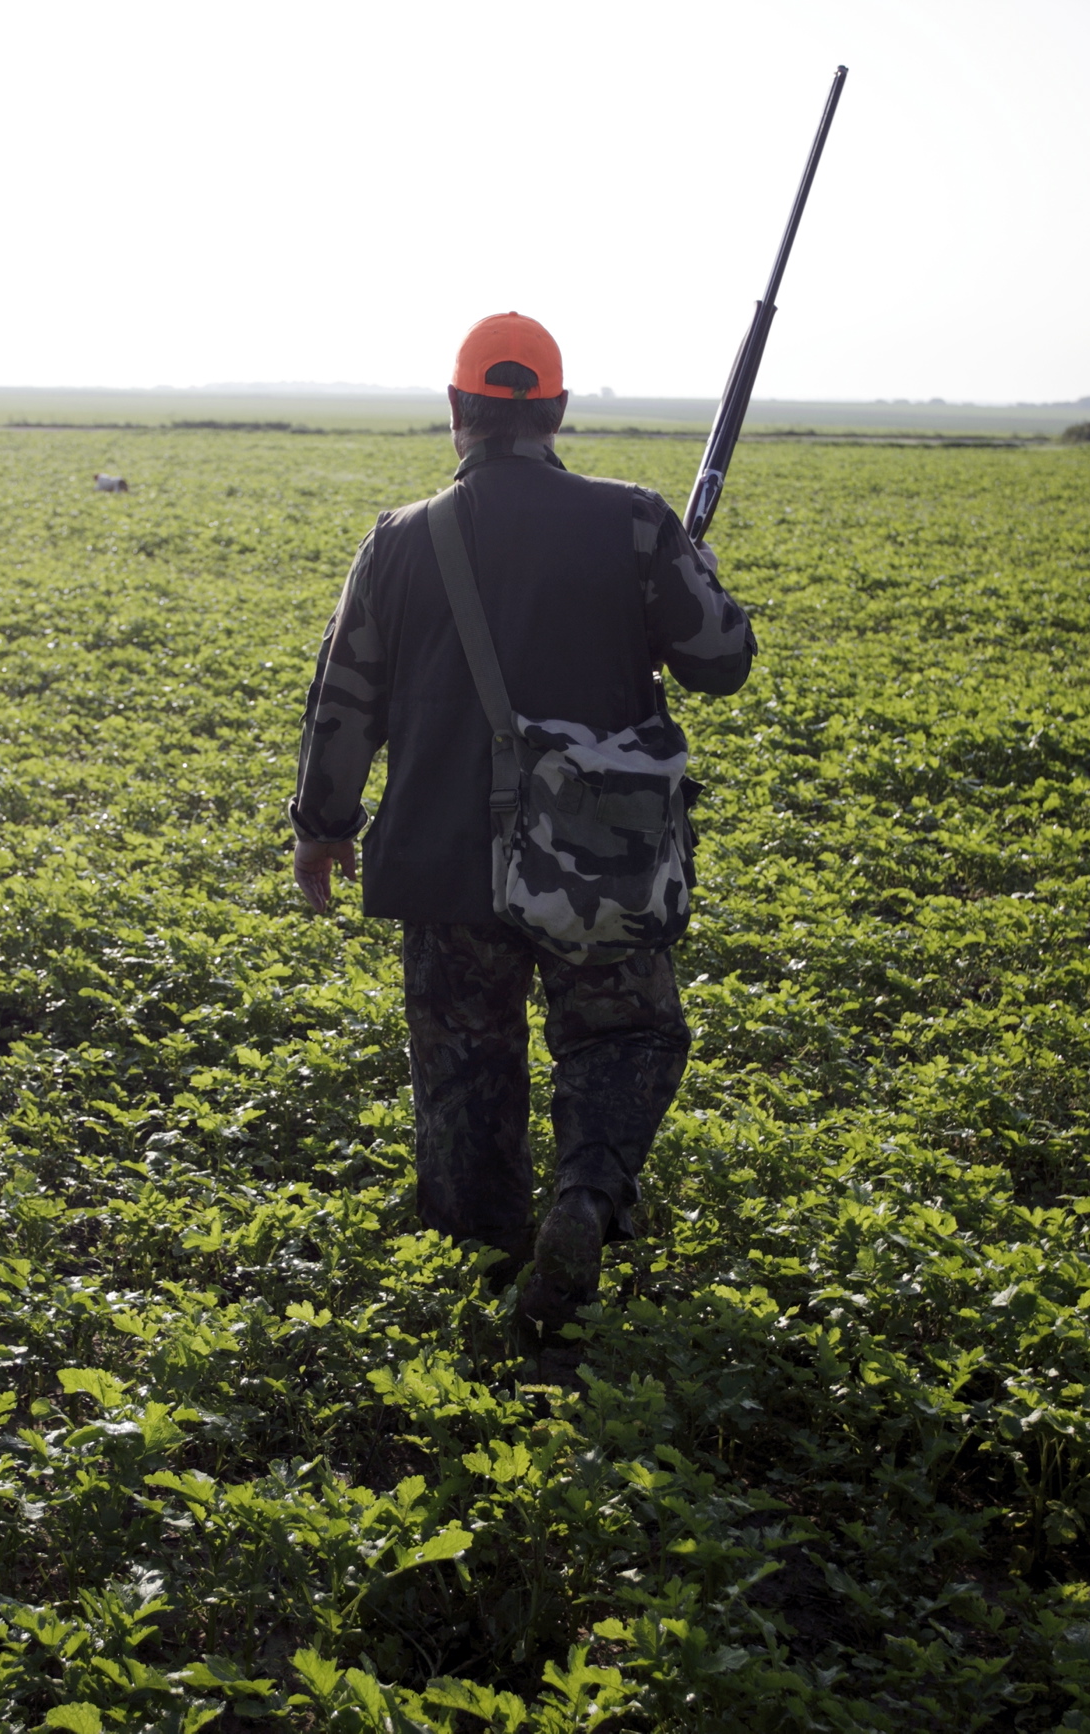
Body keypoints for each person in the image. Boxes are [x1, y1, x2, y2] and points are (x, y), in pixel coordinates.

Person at [287, 311, 757, 1337]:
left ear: (456, 411)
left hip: (444, 857)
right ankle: (585, 1199)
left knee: (463, 1070)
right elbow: (721, 661)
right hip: (599, 858)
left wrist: (322, 825)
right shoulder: (634, 522)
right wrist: (679, 568)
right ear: (556, 411)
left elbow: (343, 696)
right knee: (624, 1035)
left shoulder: (399, 540)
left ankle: (481, 1283)